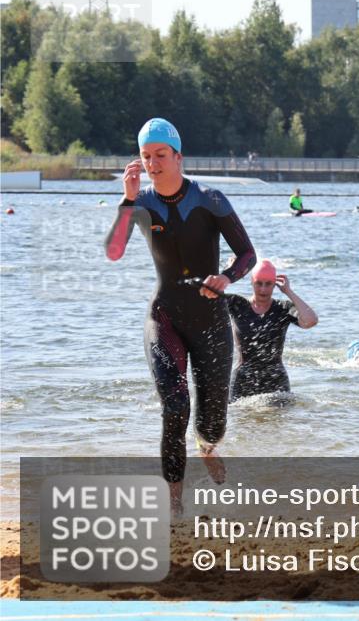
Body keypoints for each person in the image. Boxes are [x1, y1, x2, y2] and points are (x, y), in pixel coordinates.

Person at [104, 118, 256, 515]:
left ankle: (207, 447)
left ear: (178, 157)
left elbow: (247, 255)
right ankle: (174, 505)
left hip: (211, 322)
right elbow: (114, 251)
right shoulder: (140, 204)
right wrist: (127, 198)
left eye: (160, 156)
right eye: (145, 156)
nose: (153, 163)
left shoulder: (211, 199)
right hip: (165, 317)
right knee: (174, 407)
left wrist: (226, 278)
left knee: (212, 424)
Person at [224, 259, 318, 401]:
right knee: (241, 421)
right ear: (251, 282)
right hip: (242, 381)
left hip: (276, 381)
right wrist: (229, 275)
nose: (263, 289)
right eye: (258, 283)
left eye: (268, 284)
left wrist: (288, 292)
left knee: (278, 422)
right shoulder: (237, 304)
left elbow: (311, 321)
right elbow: (206, 297)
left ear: (275, 284)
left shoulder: (283, 308)